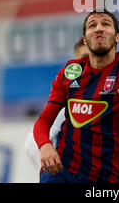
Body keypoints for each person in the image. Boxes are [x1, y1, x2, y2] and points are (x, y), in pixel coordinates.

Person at [33, 11, 119, 183]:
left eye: (106, 24)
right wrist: (45, 146)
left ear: (117, 38)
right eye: (92, 25)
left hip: (107, 176)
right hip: (63, 172)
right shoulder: (70, 72)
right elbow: (43, 121)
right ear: (85, 40)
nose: (98, 29)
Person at [24, 37, 89, 171]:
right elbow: (31, 143)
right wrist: (49, 173)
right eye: (84, 57)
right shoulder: (70, 101)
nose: (88, 62)